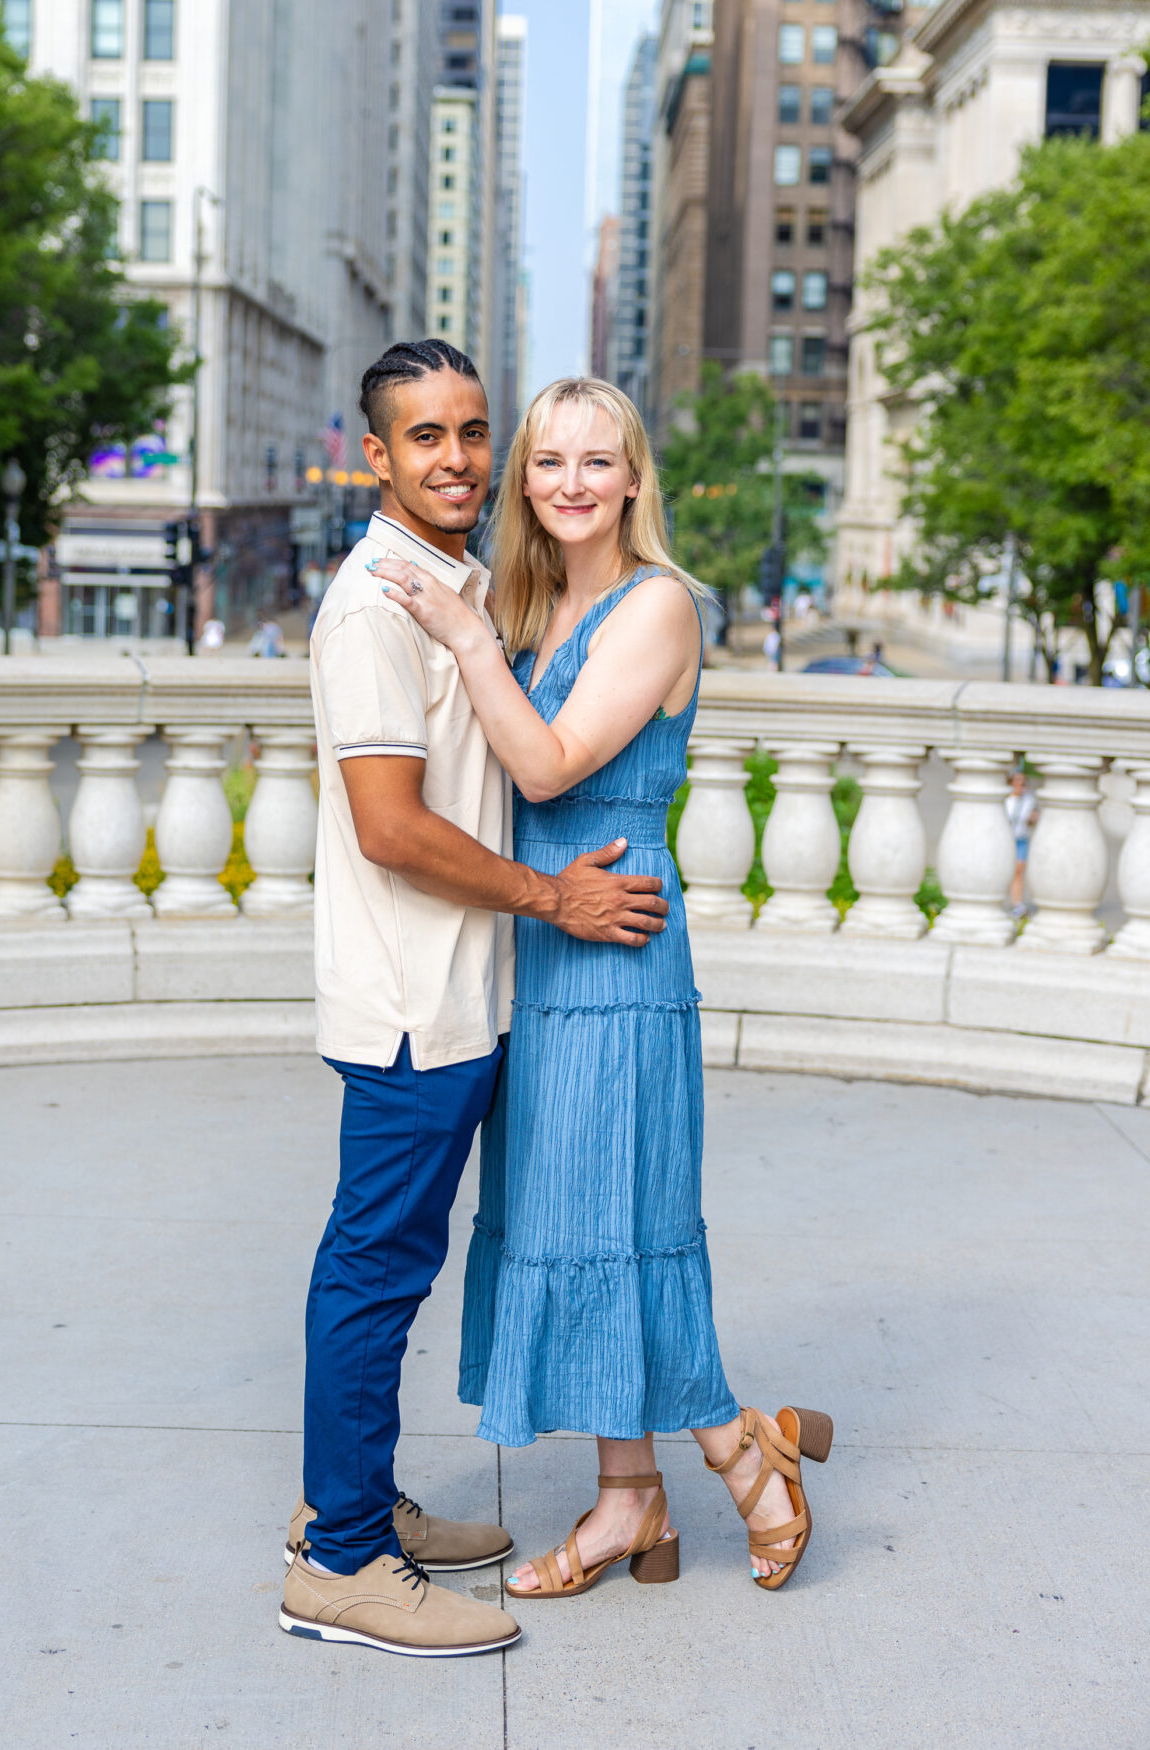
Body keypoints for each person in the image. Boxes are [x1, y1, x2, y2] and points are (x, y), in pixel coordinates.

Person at [370, 377, 832, 1605]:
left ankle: (744, 1454)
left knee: (620, 1226)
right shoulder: (532, 607)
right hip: (545, 941)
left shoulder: (658, 606)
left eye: (597, 460)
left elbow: (551, 759)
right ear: (526, 479)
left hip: (619, 948)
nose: (569, 482)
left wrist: (460, 635)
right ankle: (630, 1496)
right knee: (573, 1223)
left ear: (633, 478)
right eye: (546, 461)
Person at [279, 341, 671, 1659]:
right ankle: (339, 1562)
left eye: (470, 432)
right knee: (375, 1268)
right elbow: (391, 827)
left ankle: (354, 1505)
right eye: (422, 437)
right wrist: (554, 899)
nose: (453, 458)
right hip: (411, 1003)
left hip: (461, 993)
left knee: (391, 1259)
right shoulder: (375, 611)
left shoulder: (455, 584)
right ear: (374, 454)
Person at [1005, 767, 1039, 918]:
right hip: (1006, 839)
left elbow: (1031, 823)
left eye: (1024, 782)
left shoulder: (1029, 800)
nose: (1021, 785)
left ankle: (1017, 903)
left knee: (1018, 870)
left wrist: (1032, 819)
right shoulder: (1005, 800)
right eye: (1018, 781)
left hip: (1021, 838)